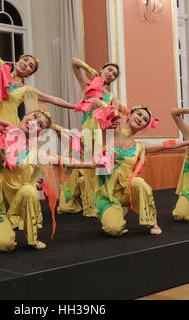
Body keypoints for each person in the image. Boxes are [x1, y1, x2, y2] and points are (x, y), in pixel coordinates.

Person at [0, 93, 100, 253]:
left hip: (14, 203)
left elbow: (63, 160)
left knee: (29, 190)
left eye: (39, 125)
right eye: (34, 117)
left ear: (39, 133)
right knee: (5, 245)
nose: (33, 123)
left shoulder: (33, 153)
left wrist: (92, 164)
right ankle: (2, 226)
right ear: (25, 116)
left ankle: (32, 237)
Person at [93, 106, 189, 236]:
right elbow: (102, 125)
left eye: (145, 119)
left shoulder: (139, 146)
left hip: (127, 191)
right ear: (129, 115)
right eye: (138, 114)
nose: (140, 119)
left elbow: (164, 145)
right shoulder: (112, 133)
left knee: (139, 182)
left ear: (144, 126)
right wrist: (108, 123)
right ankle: (110, 211)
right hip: (107, 194)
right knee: (114, 230)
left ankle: (151, 222)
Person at [58, 58, 122, 217]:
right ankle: (84, 201)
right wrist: (89, 68)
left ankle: (96, 204)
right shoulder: (88, 85)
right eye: (109, 70)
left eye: (114, 74)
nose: (111, 74)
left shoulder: (111, 98)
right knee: (84, 169)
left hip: (101, 135)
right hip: (86, 133)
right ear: (102, 69)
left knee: (97, 170)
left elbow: (115, 119)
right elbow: (73, 62)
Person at [0, 46, 76, 126]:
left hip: (8, 127)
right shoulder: (0, 73)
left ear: (29, 75)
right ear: (18, 61)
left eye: (30, 66)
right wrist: (0, 62)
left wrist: (75, 106)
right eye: (25, 60)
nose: (26, 64)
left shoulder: (26, 90)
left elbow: (53, 100)